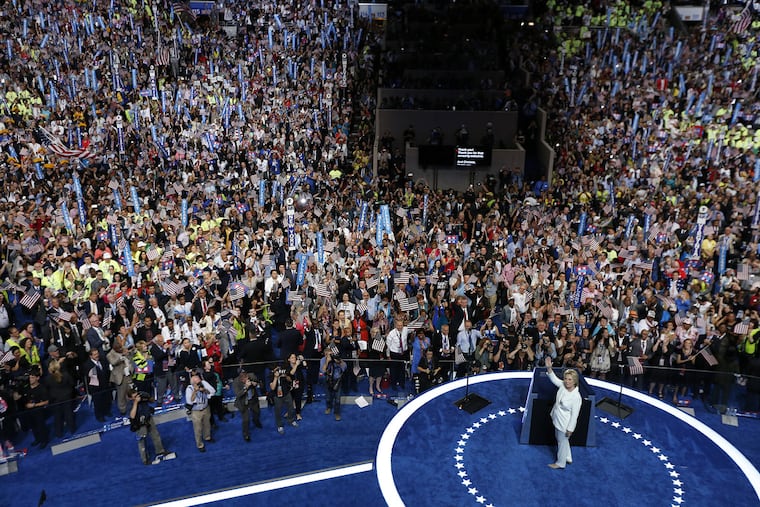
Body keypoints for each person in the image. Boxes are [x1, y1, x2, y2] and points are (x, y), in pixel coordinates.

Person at [545, 357, 582, 470]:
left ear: (575, 381)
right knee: (561, 439)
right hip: (557, 418)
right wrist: (549, 368)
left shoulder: (576, 397)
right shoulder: (563, 386)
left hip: (565, 423)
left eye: (570, 379)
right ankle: (568, 456)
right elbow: (555, 379)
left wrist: (570, 429)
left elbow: (575, 415)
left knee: (561, 441)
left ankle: (560, 463)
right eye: (566, 378)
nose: (567, 381)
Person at [128, 389, 171, 465]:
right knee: (142, 441)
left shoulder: (142, 398)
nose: (137, 397)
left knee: (155, 435)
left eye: (137, 395)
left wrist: (147, 396)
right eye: (134, 397)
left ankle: (160, 451)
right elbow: (132, 416)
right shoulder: (130, 404)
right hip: (139, 423)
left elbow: (152, 401)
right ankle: (145, 460)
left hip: (148, 418)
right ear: (130, 398)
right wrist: (136, 402)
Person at [185, 370, 215, 452]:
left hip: (206, 408)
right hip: (196, 411)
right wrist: (195, 391)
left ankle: (207, 437)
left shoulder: (204, 384)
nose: (200, 383)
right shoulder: (189, 389)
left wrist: (204, 390)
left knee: (207, 424)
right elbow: (190, 401)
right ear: (193, 383)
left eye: (199, 381)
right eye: (197, 382)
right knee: (198, 428)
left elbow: (211, 392)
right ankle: (200, 445)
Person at [22, 366, 50, 449]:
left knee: (41, 426)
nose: (30, 379)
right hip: (29, 412)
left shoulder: (42, 388)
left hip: (39, 411)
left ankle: (44, 440)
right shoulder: (27, 388)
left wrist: (35, 405)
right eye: (30, 377)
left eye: (33, 377)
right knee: (33, 427)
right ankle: (37, 439)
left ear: (37, 378)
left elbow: (47, 401)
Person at [232, 370, 262, 442]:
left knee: (257, 412)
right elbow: (238, 394)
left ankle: (256, 421)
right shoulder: (236, 382)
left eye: (248, 378)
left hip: (252, 399)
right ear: (241, 379)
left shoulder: (251, 375)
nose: (247, 380)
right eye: (245, 379)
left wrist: (256, 384)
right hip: (243, 402)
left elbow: (260, 383)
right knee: (246, 419)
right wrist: (245, 387)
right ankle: (246, 434)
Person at [268, 362, 298, 434]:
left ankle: (291, 420)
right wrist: (275, 378)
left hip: (286, 393)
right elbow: (272, 388)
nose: (277, 370)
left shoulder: (284, 373)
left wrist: (285, 376)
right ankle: (279, 425)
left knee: (291, 408)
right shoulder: (270, 375)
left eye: (278, 369)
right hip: (277, 396)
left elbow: (290, 380)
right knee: (278, 411)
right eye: (276, 369)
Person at [321, 347, 347, 421]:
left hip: (337, 380)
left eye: (331, 354)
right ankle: (328, 407)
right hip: (328, 380)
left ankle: (337, 413)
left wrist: (339, 362)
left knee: (337, 399)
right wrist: (327, 362)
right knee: (328, 397)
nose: (330, 356)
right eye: (328, 354)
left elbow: (344, 367)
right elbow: (322, 371)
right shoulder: (323, 360)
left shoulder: (337, 358)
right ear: (325, 354)